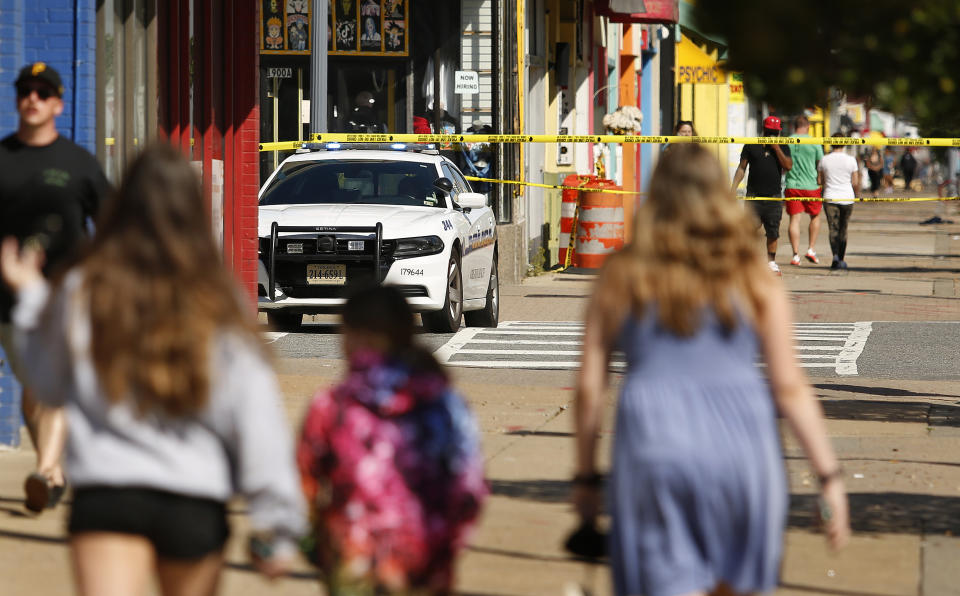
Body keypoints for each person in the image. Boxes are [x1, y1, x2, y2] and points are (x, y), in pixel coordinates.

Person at [0, 143, 306, 595]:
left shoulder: (83, 289)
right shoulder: (217, 300)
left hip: (107, 493)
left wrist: (29, 299)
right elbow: (255, 417)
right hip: (193, 497)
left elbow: (47, 384)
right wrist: (276, 523)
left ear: (121, 208)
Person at [573, 144, 850, 596]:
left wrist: (585, 479)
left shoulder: (622, 274)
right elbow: (789, 386)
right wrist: (828, 478)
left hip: (654, 444)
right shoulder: (753, 275)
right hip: (742, 446)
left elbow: (589, 387)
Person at [298, 284, 487, 595]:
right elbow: (469, 487)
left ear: (355, 337)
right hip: (425, 560)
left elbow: (303, 481)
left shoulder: (332, 407)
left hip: (351, 563)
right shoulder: (446, 405)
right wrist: (448, 544)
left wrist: (315, 541)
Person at [0, 62, 109, 513]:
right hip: (10, 298)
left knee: (55, 385)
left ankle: (45, 470)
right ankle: (56, 472)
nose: (33, 98)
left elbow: (112, 224)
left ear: (58, 104)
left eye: (43, 92)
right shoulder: (2, 158)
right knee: (31, 389)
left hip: (68, 296)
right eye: (26, 90)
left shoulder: (78, 164)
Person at [731, 115, 793, 275]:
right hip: (753, 196)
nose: (772, 135)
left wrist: (777, 148)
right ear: (764, 131)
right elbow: (741, 168)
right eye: (769, 132)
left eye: (775, 132)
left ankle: (771, 262)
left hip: (773, 196)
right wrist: (733, 189)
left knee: (773, 231)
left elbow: (788, 166)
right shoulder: (752, 145)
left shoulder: (783, 145)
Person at [784, 115, 824, 266]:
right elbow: (820, 164)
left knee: (794, 219)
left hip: (792, 184)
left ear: (794, 126)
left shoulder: (788, 141)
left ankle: (795, 255)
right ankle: (811, 249)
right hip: (811, 185)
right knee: (815, 216)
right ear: (807, 126)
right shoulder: (813, 141)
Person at [819, 134, 861, 270]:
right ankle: (841, 258)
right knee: (843, 228)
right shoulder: (851, 160)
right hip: (847, 197)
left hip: (830, 196)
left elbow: (820, 181)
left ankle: (835, 256)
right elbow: (855, 182)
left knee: (833, 228)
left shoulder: (824, 160)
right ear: (844, 144)